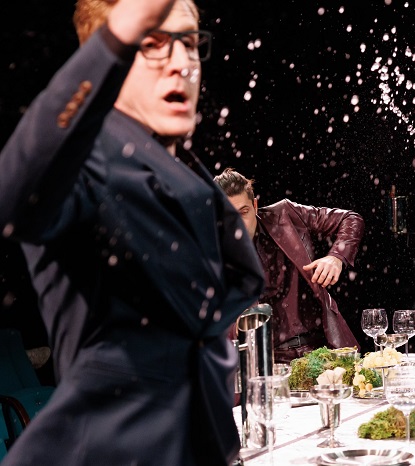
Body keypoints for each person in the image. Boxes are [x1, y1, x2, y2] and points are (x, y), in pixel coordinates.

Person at [0, 1, 264, 465]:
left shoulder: (188, 178)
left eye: (189, 43)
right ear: (111, 60)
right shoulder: (82, 164)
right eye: (153, 43)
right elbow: (16, 193)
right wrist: (119, 31)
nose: (182, 63)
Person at [214, 168, 364, 363]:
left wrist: (336, 257)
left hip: (321, 348)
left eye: (243, 212)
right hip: (267, 362)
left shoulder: (284, 214)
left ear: (255, 206)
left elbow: (350, 219)